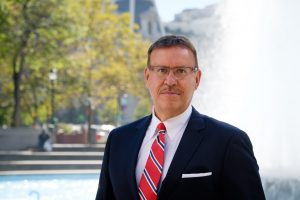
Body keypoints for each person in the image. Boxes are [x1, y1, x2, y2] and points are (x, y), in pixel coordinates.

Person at [95, 35, 265, 200]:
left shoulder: (228, 141)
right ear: (147, 77)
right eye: (162, 70)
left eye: (180, 71)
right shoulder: (119, 140)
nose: (170, 80)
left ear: (197, 79)